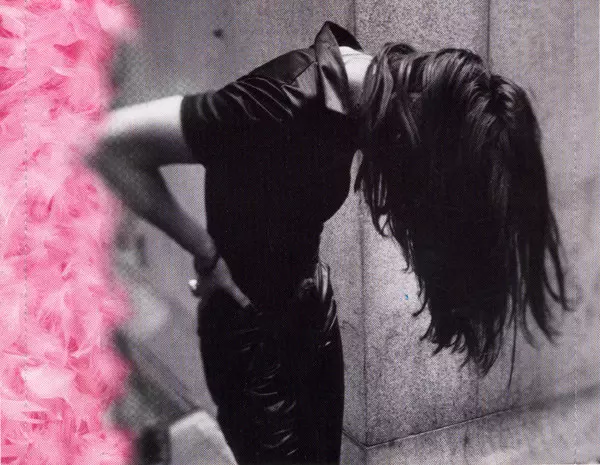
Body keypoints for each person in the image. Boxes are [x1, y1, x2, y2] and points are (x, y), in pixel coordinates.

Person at [89, 21, 571, 465]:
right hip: (250, 338)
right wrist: (204, 251)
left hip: (311, 310)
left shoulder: (365, 87)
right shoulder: (277, 104)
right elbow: (108, 144)